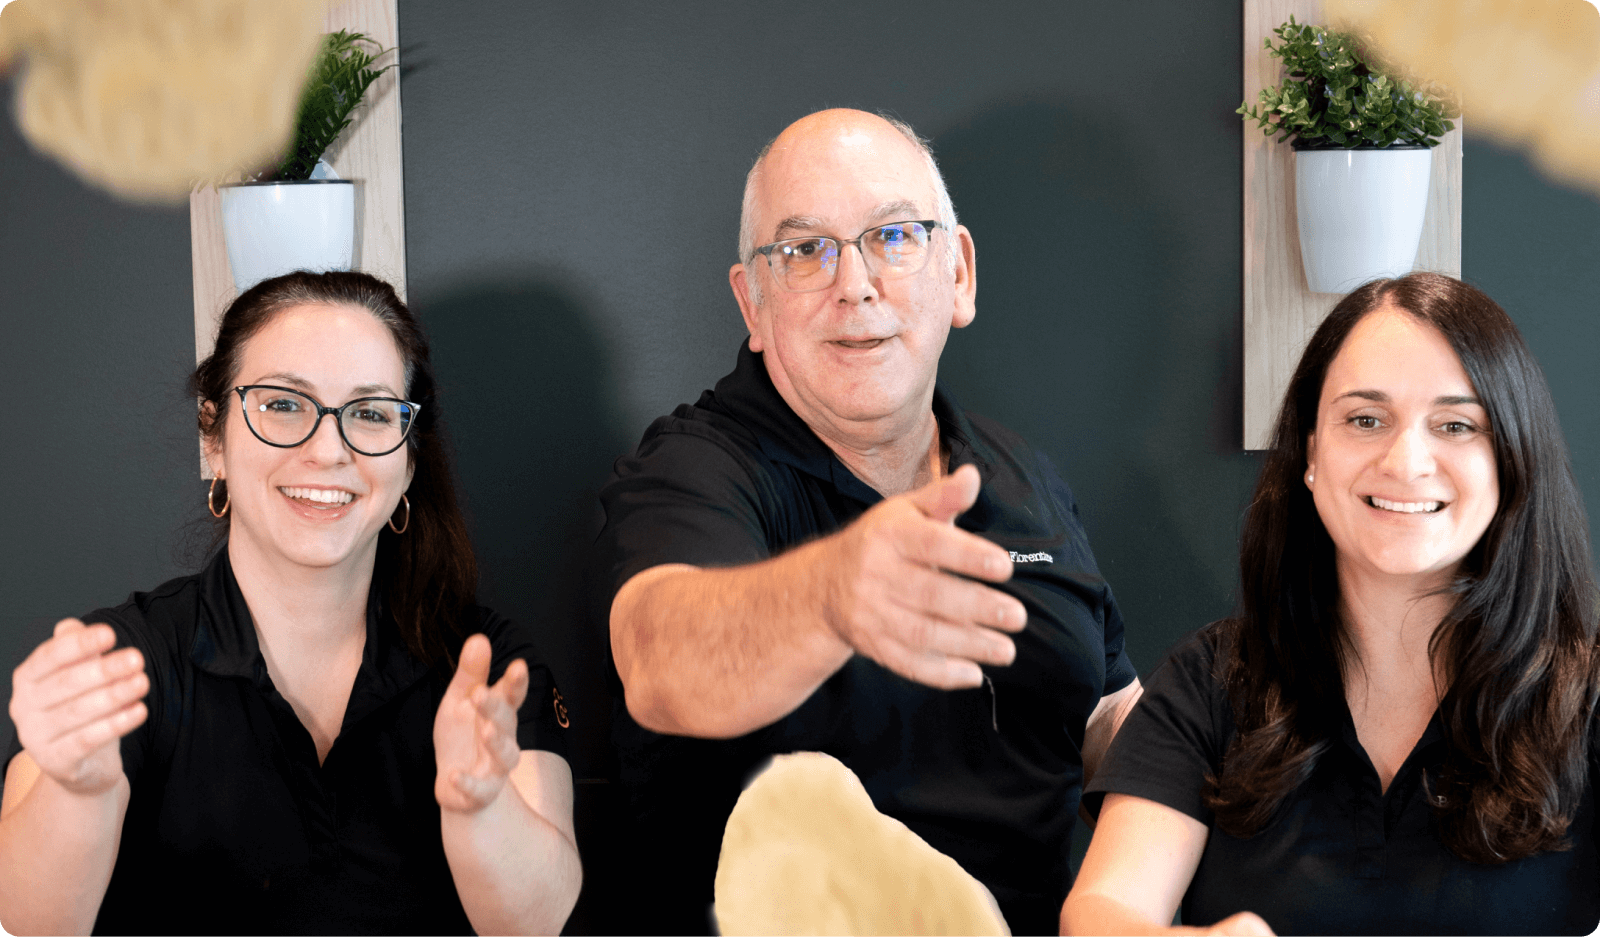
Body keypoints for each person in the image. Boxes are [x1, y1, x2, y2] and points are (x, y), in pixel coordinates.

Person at [592, 108, 1142, 936]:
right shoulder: (697, 468)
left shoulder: (1024, 474)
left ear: (958, 274)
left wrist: (1219, 772)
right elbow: (660, 658)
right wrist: (833, 595)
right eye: (805, 251)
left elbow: (1104, 713)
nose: (855, 284)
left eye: (894, 236)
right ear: (754, 300)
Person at [0, 272, 583, 936]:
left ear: (410, 461)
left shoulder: (487, 669)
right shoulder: (123, 664)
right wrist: (79, 793)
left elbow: (535, 924)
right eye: (282, 404)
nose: (328, 450)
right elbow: (32, 922)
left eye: (368, 413)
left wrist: (480, 808)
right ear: (213, 437)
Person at [1063, 273, 1600, 937]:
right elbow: (1103, 910)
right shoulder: (1211, 680)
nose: (1406, 460)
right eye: (1365, 419)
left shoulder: (1588, 696)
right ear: (1313, 454)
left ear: (1510, 459)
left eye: (1456, 424)